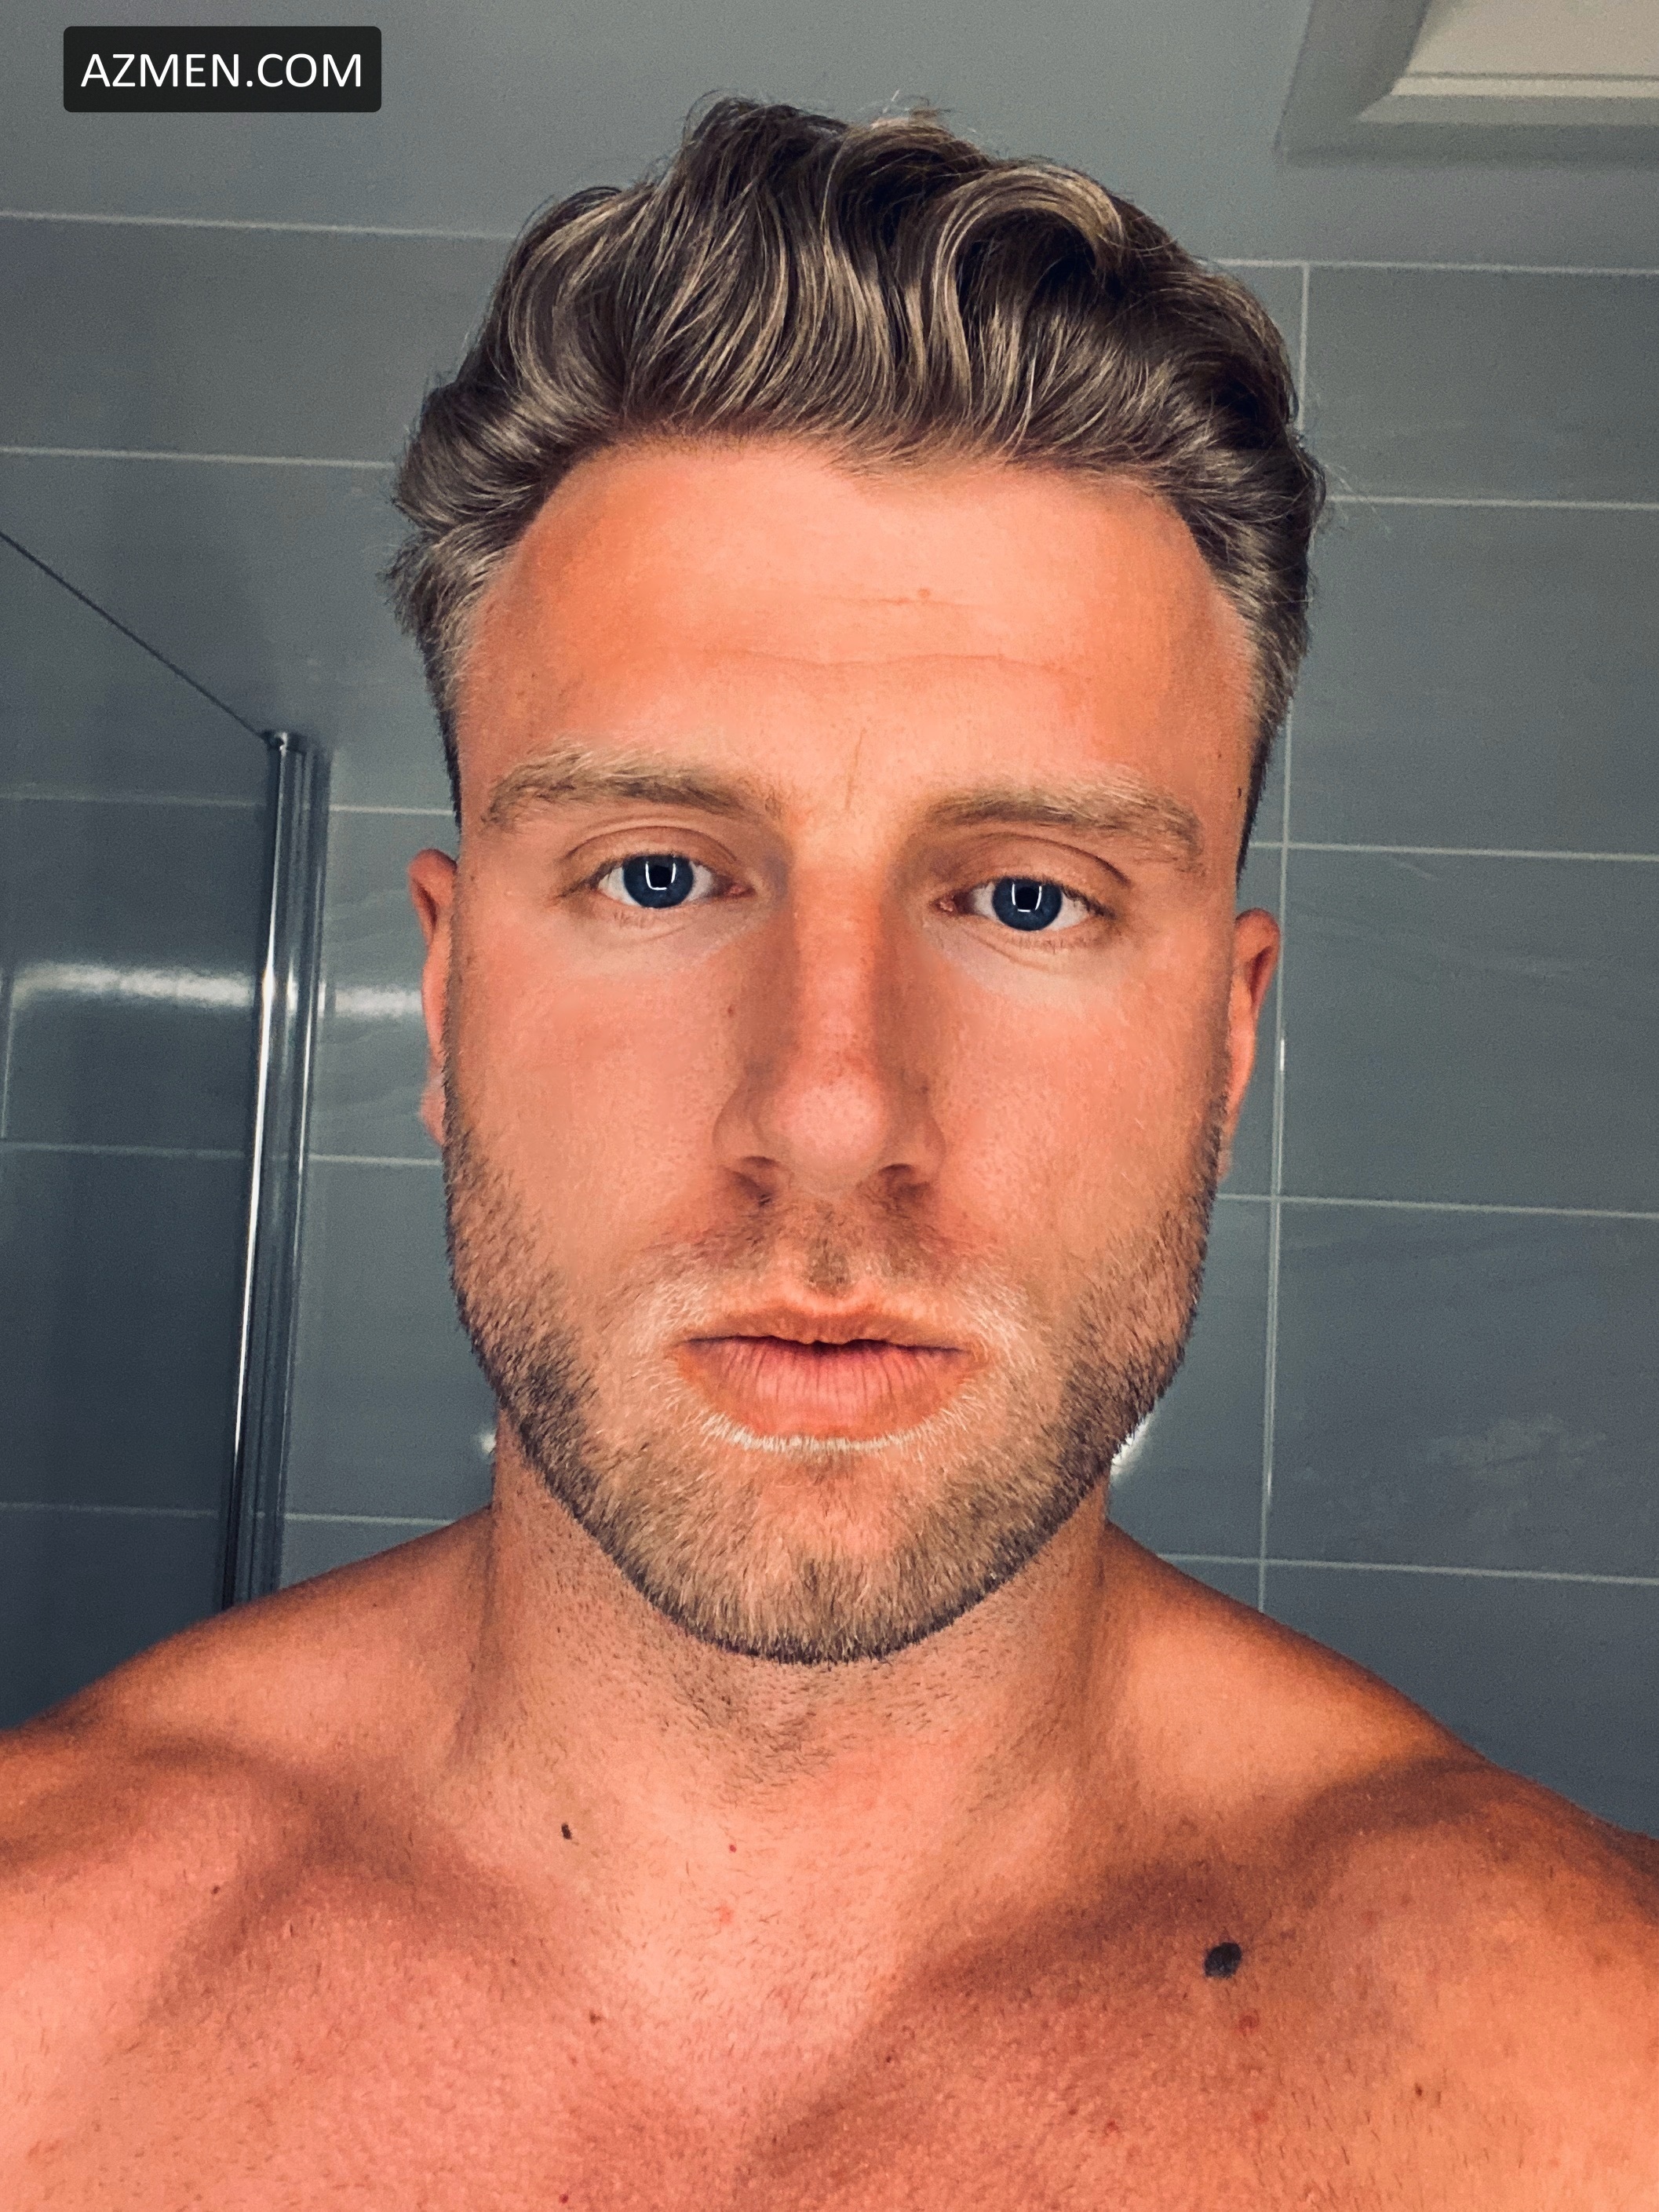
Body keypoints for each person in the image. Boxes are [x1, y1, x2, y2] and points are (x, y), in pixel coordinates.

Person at [3, 98, 1654, 2209]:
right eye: (661, 874)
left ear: (1227, 1042)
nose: (830, 1113)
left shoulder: (1584, 2086)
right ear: (448, 995)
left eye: (1029, 898)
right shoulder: (41, 1993)